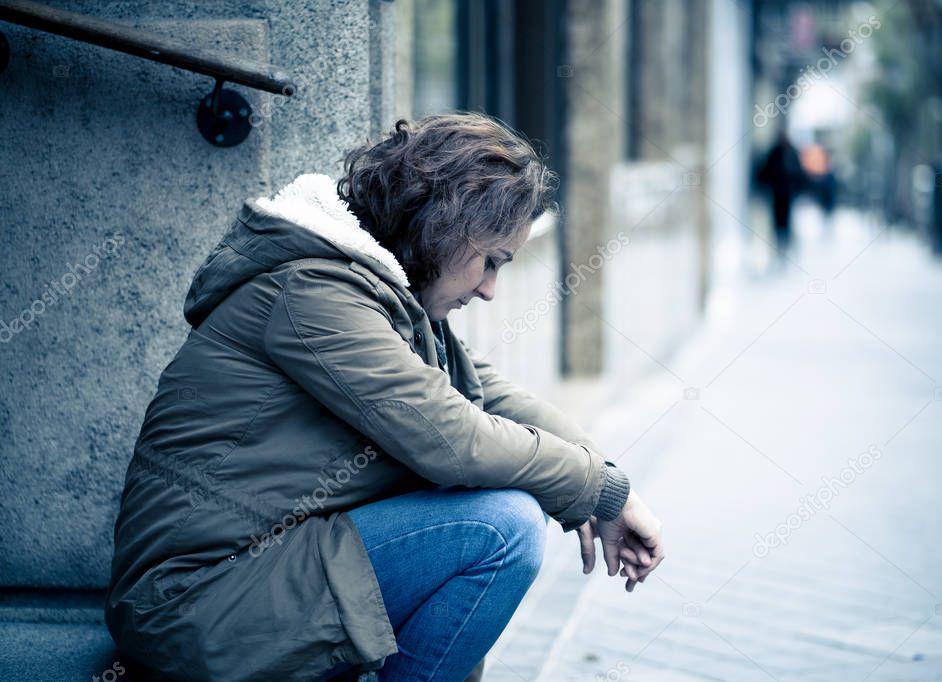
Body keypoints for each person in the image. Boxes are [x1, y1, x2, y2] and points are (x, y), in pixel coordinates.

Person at [104, 112, 666, 682]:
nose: (492, 290)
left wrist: (608, 482)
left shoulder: (380, 296)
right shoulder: (312, 293)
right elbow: (454, 439)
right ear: (442, 225)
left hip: (259, 572)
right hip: (192, 602)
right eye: (490, 261)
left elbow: (487, 396)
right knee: (501, 527)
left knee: (500, 512)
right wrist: (598, 488)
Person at [757, 130, 806, 262]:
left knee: (787, 220)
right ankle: (779, 245)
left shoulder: (792, 153)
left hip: (788, 195)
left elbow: (800, 175)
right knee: (778, 221)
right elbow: (765, 171)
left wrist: (797, 190)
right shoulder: (775, 153)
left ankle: (786, 245)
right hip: (777, 194)